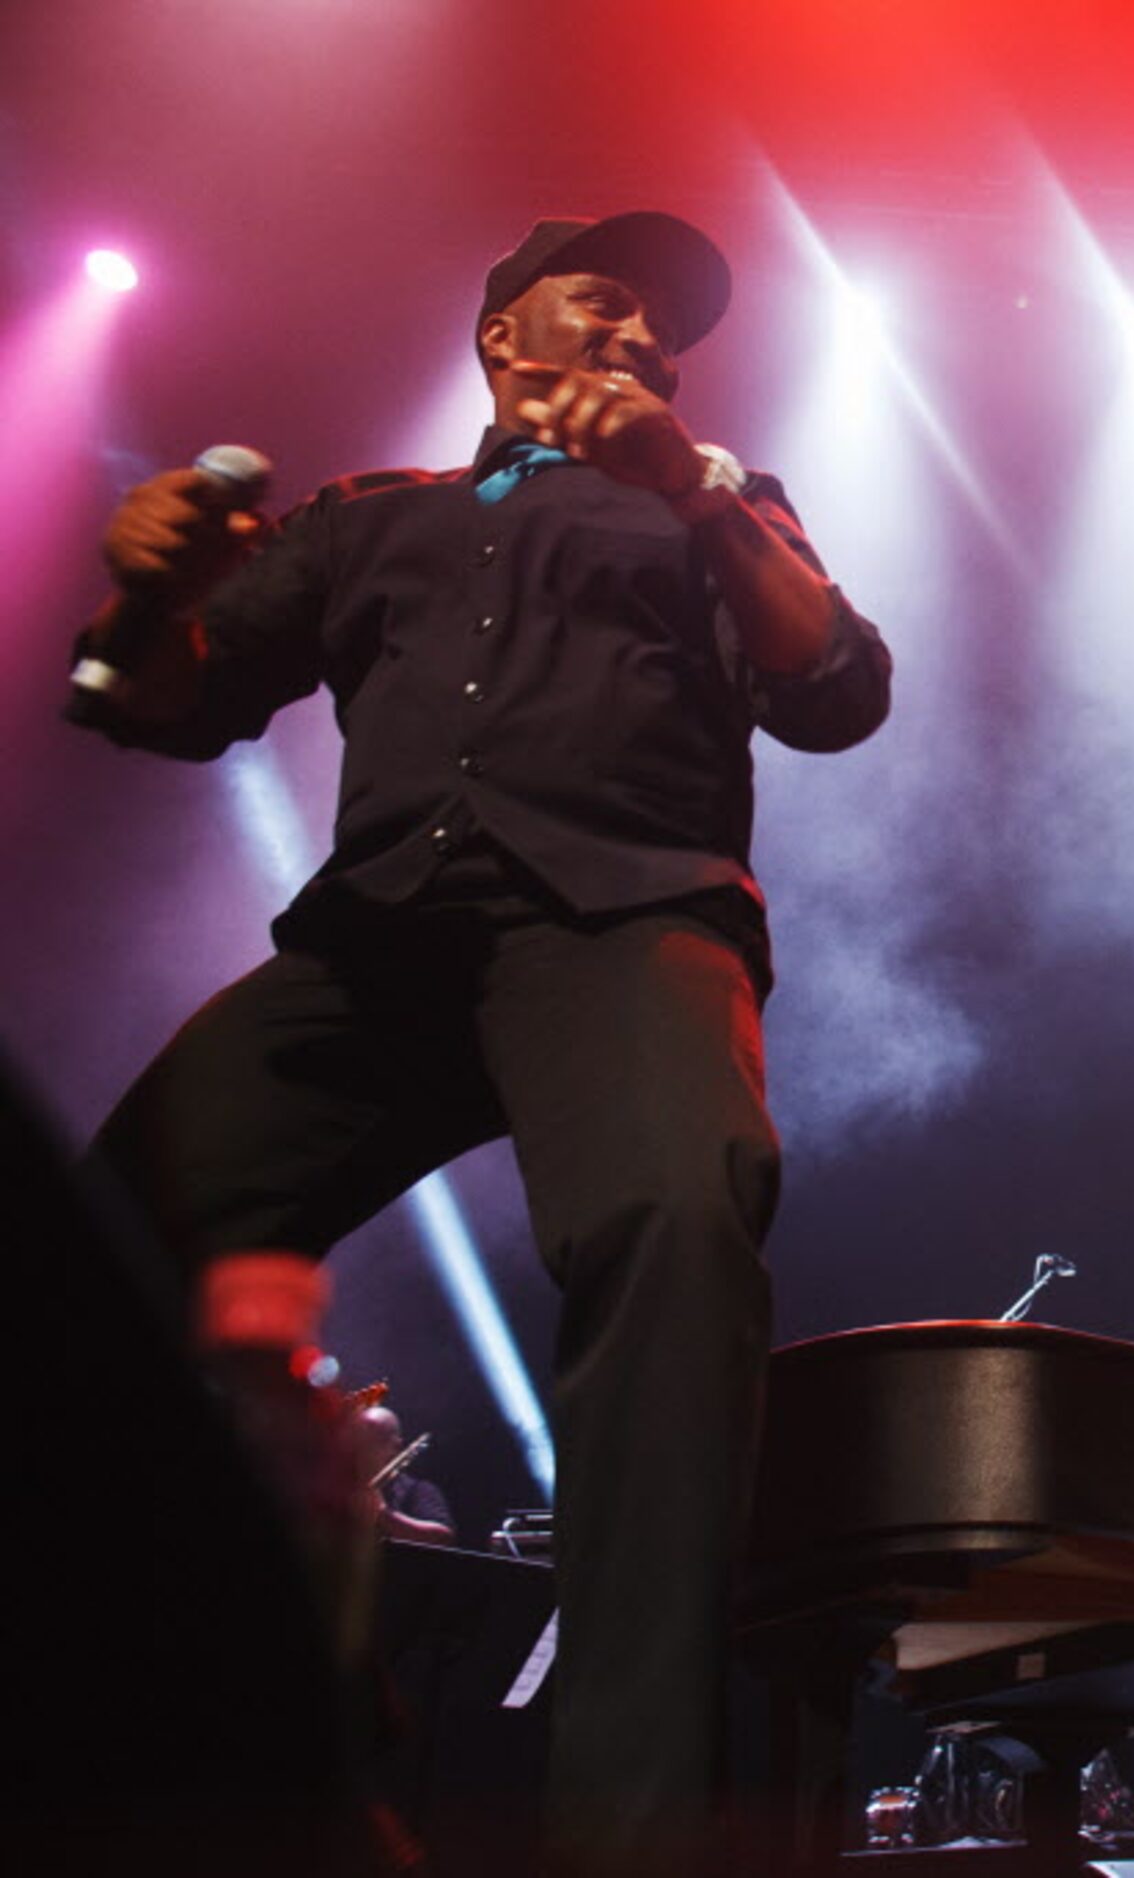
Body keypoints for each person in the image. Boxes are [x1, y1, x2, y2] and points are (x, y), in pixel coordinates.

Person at [73, 211, 893, 1872]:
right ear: (506, 340)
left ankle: (634, 1841)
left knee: (673, 1220)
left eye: (668, 325)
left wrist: (690, 488)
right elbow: (159, 695)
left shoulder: (722, 503)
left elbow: (837, 685)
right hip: (377, 943)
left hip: (625, 924)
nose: (649, 337)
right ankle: (236, 1732)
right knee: (98, 1249)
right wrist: (148, 592)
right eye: (604, 304)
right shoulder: (378, 520)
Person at [353, 1402, 457, 1547]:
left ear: (395, 1447)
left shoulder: (417, 1490)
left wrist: (383, 1514)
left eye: (374, 1439)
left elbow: (442, 1537)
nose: (363, 1446)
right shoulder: (340, 1483)